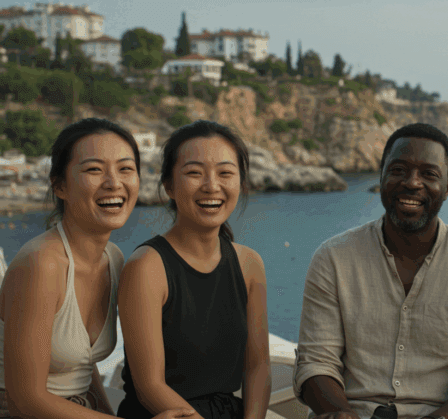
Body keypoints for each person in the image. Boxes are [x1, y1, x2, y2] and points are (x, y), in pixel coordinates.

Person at [293, 123, 448, 419]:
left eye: (428, 174)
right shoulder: (333, 258)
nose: (412, 183)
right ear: (381, 176)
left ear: (447, 188)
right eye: (398, 170)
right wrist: (341, 413)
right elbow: (316, 362)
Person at [0, 118, 195, 419]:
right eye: (94, 169)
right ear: (59, 185)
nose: (114, 183)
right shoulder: (42, 264)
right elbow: (25, 401)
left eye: (125, 169)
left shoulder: (113, 258)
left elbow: (81, 366)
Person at [116, 120, 271, 419]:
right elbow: (149, 385)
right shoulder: (147, 266)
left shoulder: (249, 264)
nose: (212, 186)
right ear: (169, 186)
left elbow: (258, 366)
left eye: (225, 173)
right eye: (194, 173)